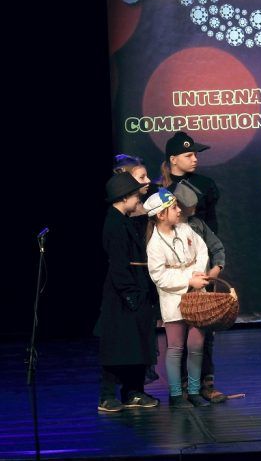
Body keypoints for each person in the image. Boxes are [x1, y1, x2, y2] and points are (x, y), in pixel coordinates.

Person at [97, 173, 159, 412]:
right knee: (117, 345)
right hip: (122, 294)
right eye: (134, 195)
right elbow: (118, 264)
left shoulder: (124, 221)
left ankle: (133, 391)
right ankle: (107, 396)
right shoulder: (114, 224)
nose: (138, 199)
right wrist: (130, 293)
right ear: (124, 198)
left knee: (136, 344)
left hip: (135, 290)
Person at [144, 188, 211, 408]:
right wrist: (188, 280)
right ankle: (175, 395)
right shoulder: (155, 244)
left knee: (196, 344)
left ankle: (194, 391)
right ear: (160, 214)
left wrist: (198, 273)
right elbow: (159, 276)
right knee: (175, 347)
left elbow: (202, 250)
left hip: (196, 295)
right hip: (174, 298)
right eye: (173, 207)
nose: (179, 210)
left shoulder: (185, 229)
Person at [172, 181, 227, 403]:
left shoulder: (197, 225)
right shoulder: (168, 228)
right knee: (179, 340)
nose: (194, 209)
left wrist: (215, 269)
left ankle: (205, 383)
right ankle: (183, 386)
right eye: (190, 205)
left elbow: (216, 248)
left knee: (204, 337)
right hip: (178, 290)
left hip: (201, 289)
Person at [160, 132, 220, 233]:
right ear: (173, 160)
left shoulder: (205, 184)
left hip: (200, 239)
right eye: (188, 156)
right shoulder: (158, 187)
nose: (195, 159)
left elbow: (211, 220)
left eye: (195, 155)